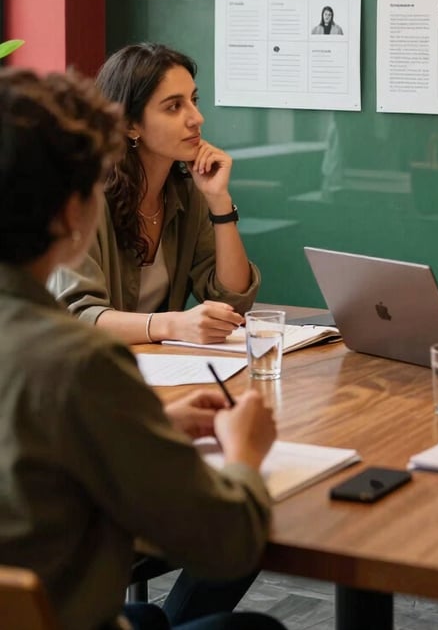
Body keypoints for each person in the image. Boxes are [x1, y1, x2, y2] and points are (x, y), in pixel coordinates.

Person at [0, 67, 285, 630]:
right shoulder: (80, 360)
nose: (195, 118)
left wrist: (143, 420)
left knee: (149, 619)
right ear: (72, 213)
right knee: (255, 629)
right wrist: (245, 458)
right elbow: (227, 541)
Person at [48, 43, 261, 346]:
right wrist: (171, 325)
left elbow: (232, 302)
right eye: (174, 106)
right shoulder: (81, 197)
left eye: (194, 100)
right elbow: (78, 317)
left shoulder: (188, 193)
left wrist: (219, 202)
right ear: (130, 124)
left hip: (154, 370)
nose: (196, 117)